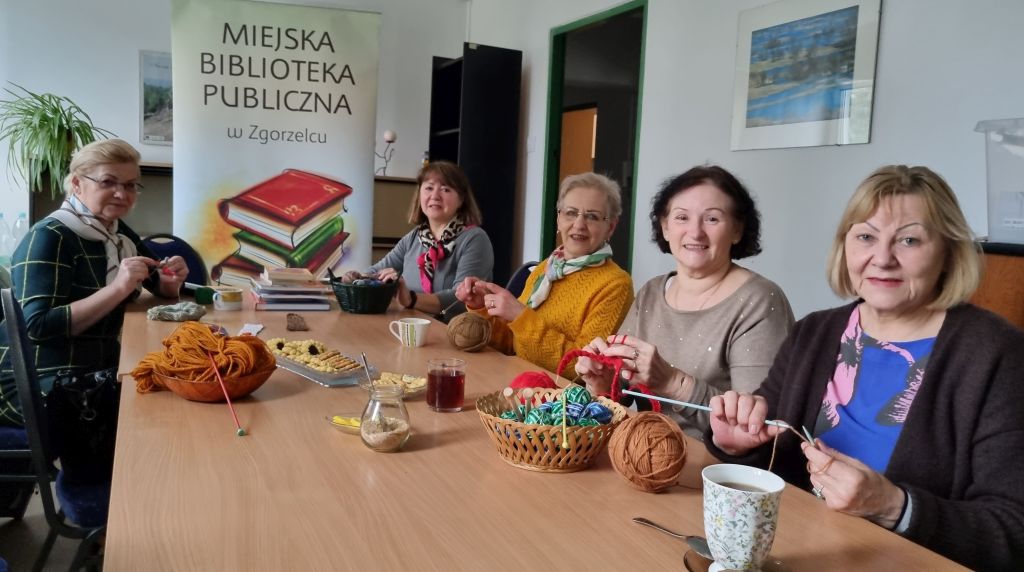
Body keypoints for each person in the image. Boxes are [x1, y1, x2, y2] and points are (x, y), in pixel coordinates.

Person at [707, 165, 1024, 571]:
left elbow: (1013, 531)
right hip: (800, 554)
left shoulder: (997, 354)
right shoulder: (815, 332)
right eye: (866, 237)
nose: (883, 258)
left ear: (947, 252)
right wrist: (743, 445)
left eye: (909, 240)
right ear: (845, 248)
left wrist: (896, 507)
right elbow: (774, 463)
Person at [0, 139, 188, 514]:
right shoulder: (50, 237)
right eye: (108, 182)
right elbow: (39, 326)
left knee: (171, 397)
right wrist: (118, 288)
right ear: (76, 184)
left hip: (91, 369)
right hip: (44, 385)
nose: (122, 193)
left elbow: (155, 284)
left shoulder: (115, 233)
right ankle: (118, 517)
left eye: (132, 184)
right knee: (166, 419)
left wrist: (169, 281)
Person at [575, 165, 793, 436]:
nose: (696, 232)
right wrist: (603, 385)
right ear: (665, 227)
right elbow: (622, 397)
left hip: (715, 469)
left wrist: (673, 382)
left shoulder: (759, 301)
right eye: (681, 218)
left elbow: (758, 428)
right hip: (643, 452)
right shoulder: (652, 292)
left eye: (712, 219)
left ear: (737, 229)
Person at [455, 172, 633, 373]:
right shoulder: (546, 269)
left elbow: (582, 369)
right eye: (571, 213)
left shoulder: (616, 284)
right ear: (559, 219)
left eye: (592, 216)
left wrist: (520, 316)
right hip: (517, 380)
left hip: (561, 400)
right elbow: (511, 343)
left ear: (610, 227)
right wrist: (483, 308)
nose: (579, 225)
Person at [348, 161, 493, 317]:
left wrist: (411, 299)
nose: (435, 196)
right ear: (420, 195)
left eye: (445, 189)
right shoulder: (413, 238)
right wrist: (357, 278)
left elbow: (463, 300)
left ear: (461, 199)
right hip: (411, 327)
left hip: (454, 333)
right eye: (429, 188)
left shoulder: (475, 239)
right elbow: (374, 271)